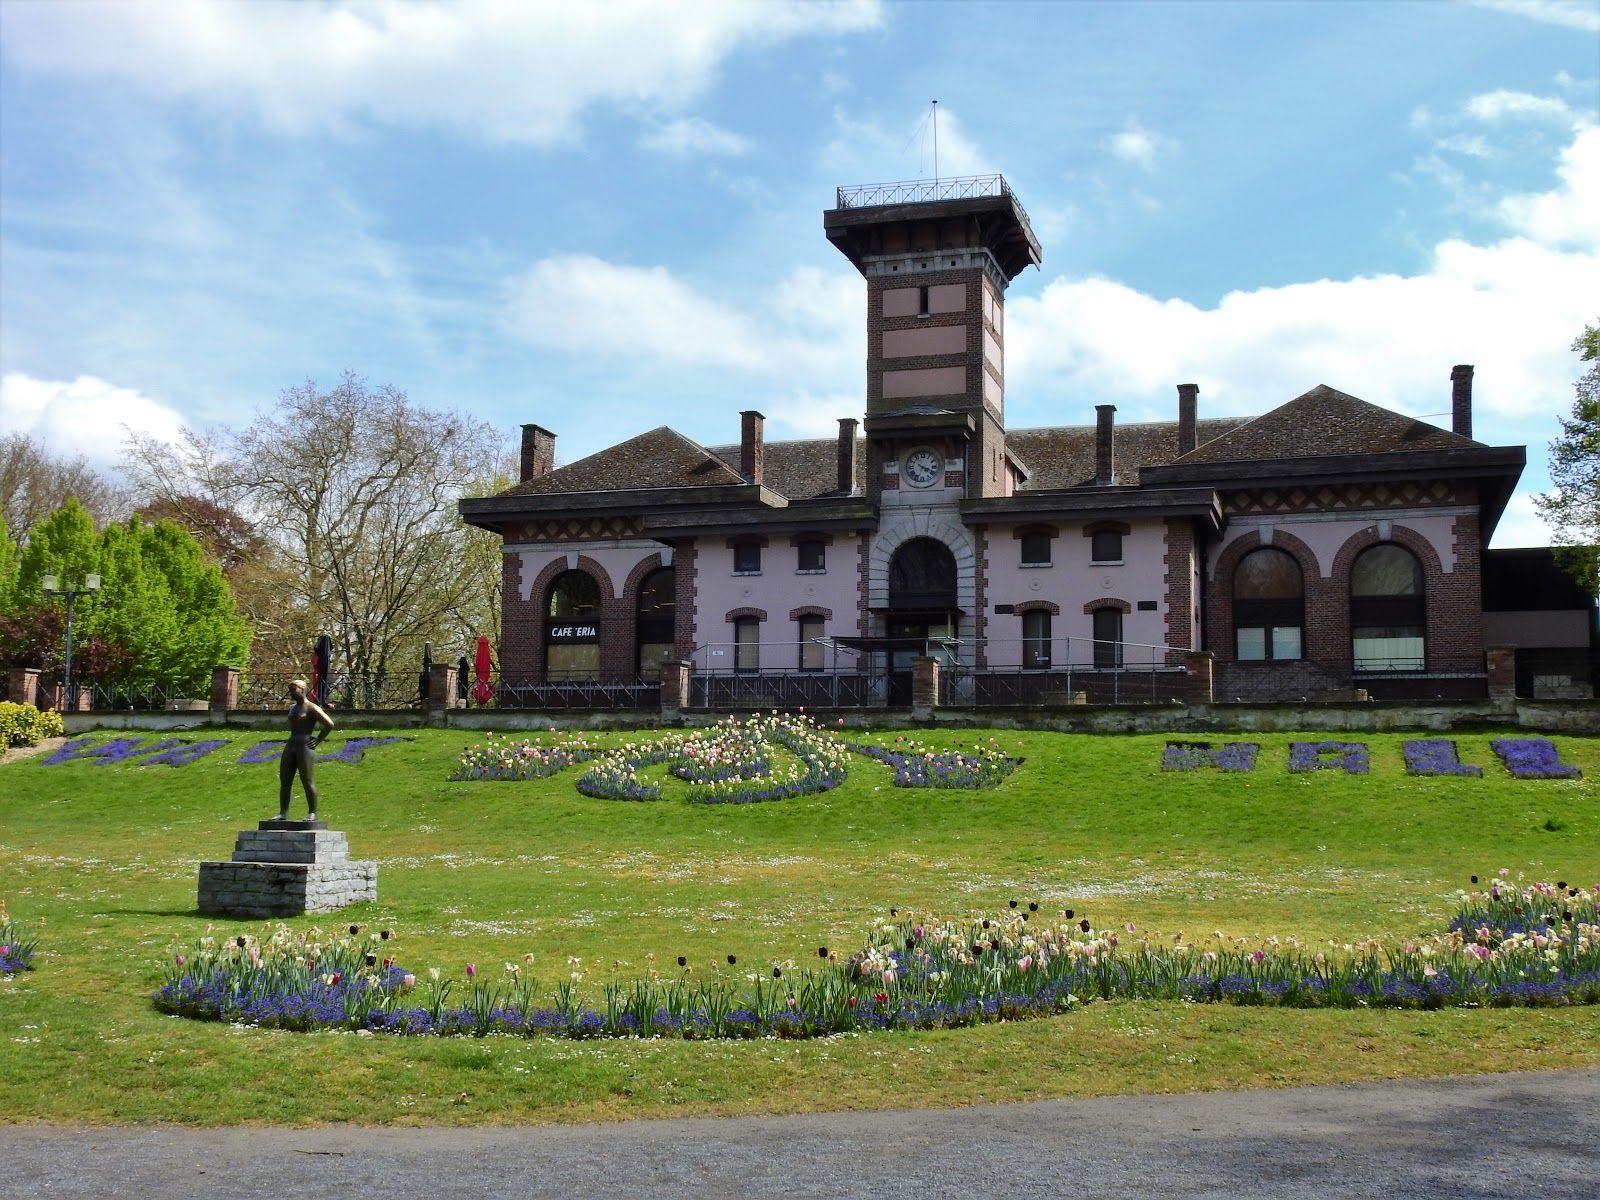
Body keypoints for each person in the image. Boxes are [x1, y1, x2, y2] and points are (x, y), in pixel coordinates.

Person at [276, 678, 335, 821]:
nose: (290, 692)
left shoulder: (311, 707)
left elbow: (329, 724)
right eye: (289, 690)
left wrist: (318, 739)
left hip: (305, 745)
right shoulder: (292, 708)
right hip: (291, 744)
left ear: (302, 690)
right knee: (285, 780)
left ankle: (312, 812)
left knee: (307, 780)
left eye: (293, 689)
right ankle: (283, 812)